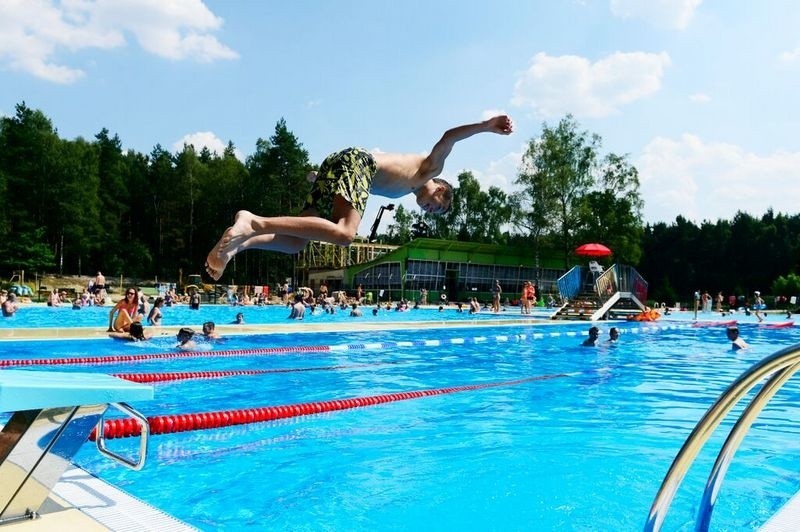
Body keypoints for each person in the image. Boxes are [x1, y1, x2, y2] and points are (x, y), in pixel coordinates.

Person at [204, 115, 514, 280]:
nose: (429, 210)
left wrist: (322, 178)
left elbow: (360, 181)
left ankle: (238, 244)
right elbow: (449, 137)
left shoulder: (407, 187)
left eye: (432, 212)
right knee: (344, 234)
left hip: (339, 168)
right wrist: (486, 126)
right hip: (356, 164)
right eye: (436, 206)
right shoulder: (428, 169)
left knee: (296, 242)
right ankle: (254, 222)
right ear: (441, 190)